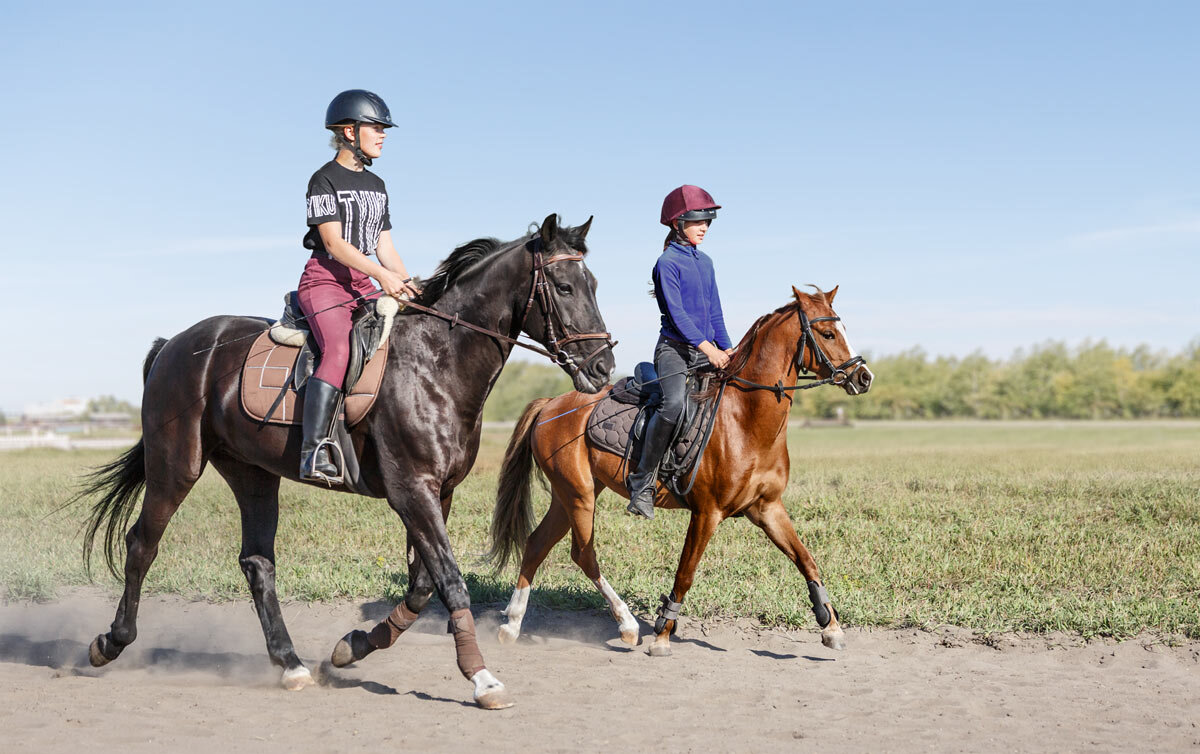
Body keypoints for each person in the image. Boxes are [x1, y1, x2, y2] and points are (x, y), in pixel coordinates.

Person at [296, 89, 420, 483]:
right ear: (349, 131)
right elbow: (334, 244)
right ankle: (313, 452)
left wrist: (406, 283)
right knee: (338, 349)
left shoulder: (378, 184)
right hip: (325, 282)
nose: (383, 135)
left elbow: (384, 245)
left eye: (384, 129)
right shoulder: (322, 180)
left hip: (364, 283)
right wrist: (383, 277)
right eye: (376, 127)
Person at [626, 185, 734, 518]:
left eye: (708, 222)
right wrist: (708, 348)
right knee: (672, 404)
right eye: (698, 221)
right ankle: (642, 483)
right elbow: (678, 316)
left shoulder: (707, 262)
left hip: (706, 350)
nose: (704, 227)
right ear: (678, 223)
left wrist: (728, 349)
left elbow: (714, 311)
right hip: (674, 350)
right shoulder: (666, 263)